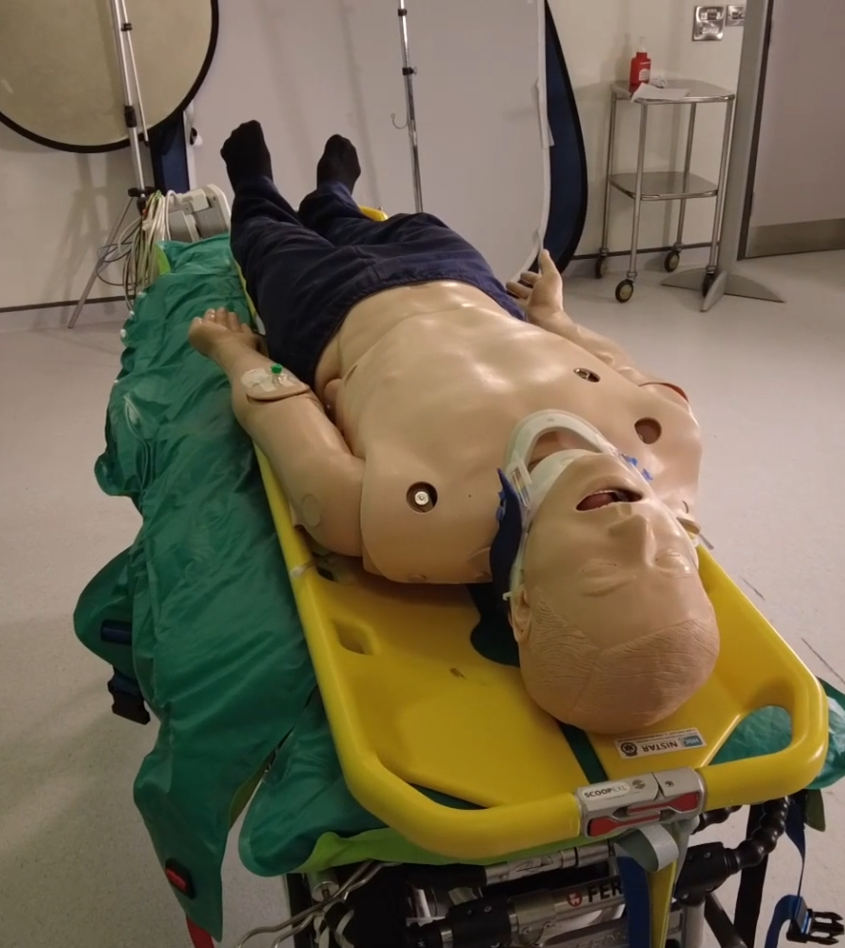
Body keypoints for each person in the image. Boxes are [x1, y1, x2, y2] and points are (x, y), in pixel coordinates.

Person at [188, 121, 719, 735]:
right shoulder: (670, 439)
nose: (633, 534)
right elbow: (615, 366)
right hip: (465, 284)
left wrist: (232, 352)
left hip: (328, 313)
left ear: (522, 606)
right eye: (673, 563)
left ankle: (254, 183)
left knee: (265, 238)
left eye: (603, 576)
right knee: (382, 222)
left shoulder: (399, 520)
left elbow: (279, 409)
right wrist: (553, 317)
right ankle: (332, 196)